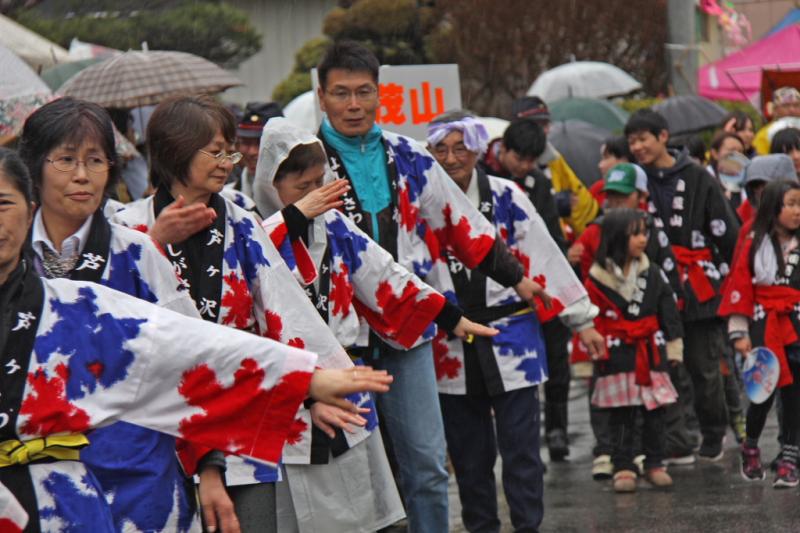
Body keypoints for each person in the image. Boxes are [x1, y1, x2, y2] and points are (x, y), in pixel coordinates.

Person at [0, 145, 393, 532]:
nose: (81, 174)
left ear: (29, 207)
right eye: (66, 160)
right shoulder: (133, 226)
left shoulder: (76, 300)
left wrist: (304, 381)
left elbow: (182, 346)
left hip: (144, 453)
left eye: (4, 204)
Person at [314, 41, 597, 532]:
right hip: (337, 338)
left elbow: (463, 227)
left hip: (414, 327)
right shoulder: (304, 162)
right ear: (322, 96)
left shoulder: (408, 156)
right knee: (357, 472)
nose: (354, 104)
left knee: (428, 463)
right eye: (341, 94)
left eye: (364, 92)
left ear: (381, 95)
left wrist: (522, 281)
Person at [111, 95, 382, 532]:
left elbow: (281, 307)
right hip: (162, 418)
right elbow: (111, 312)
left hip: (239, 409)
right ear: (177, 152)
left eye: (229, 152)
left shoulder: (240, 223)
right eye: (216, 152)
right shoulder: (126, 225)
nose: (227, 162)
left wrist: (315, 388)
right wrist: (155, 241)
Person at [253, 117, 498, 532]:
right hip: (288, 385)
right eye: (301, 188)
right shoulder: (248, 227)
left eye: (319, 183)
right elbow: (252, 260)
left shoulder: (334, 226)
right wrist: (292, 218)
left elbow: (386, 273)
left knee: (372, 499)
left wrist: (449, 316)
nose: (315, 196)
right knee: (300, 508)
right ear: (269, 185)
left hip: (346, 371)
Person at [16, 97, 220, 532]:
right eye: (66, 160)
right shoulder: (10, 257)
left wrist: (212, 466)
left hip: (138, 470)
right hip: (36, 479)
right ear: (33, 167)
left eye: (95, 160)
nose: (82, 175)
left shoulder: (137, 253)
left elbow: (195, 357)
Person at [425, 111, 600, 531]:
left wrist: (583, 320)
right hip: (450, 339)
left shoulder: (506, 195)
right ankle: (481, 526)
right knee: (469, 456)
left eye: (460, 148)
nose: (451, 158)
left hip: (512, 335)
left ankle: (528, 525)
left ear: (479, 150)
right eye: (441, 149)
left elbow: (544, 256)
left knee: (521, 450)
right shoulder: (419, 204)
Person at [625, 108, 740, 461]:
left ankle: (712, 432)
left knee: (703, 366)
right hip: (651, 284)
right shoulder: (635, 178)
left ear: (663, 136)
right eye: (632, 141)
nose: (637, 147)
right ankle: (671, 439)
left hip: (696, 282)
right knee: (661, 366)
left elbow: (727, 233)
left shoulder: (696, 176)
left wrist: (729, 279)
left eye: (643, 139)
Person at [480, 117, 576, 460]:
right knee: (517, 371)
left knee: (556, 358)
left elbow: (552, 235)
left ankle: (558, 428)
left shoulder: (536, 182)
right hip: (498, 286)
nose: (523, 167)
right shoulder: (480, 178)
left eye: (530, 162)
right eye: (518, 159)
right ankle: (522, 443)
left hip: (540, 281)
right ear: (502, 149)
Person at [586, 208, 684, 492]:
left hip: (649, 350)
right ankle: (624, 465)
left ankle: (654, 463)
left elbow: (668, 310)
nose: (643, 239)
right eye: (636, 234)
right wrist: (590, 354)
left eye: (645, 233)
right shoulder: (597, 277)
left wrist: (674, 347)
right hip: (616, 353)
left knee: (655, 414)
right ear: (617, 237)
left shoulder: (652, 272)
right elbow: (590, 317)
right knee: (621, 416)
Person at [719, 179, 800, 488]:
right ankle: (751, 445)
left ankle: (789, 459)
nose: (797, 211)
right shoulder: (754, 240)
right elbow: (739, 287)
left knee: (794, 396)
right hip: (763, 323)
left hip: (795, 323)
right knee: (761, 394)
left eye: (799, 204)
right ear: (774, 207)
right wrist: (738, 332)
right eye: (790, 204)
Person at [510, 96, 600, 236]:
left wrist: (595, 231)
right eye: (539, 124)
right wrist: (552, 203)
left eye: (547, 124)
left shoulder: (552, 158)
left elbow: (580, 201)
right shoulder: (503, 161)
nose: (546, 130)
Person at [222, 101, 284, 211]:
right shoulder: (228, 198)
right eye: (246, 142)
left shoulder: (302, 192)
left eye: (260, 143)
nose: (251, 152)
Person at [753, 87, 800, 155]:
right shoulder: (764, 134)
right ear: (775, 109)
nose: (792, 109)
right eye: (786, 105)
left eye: (796, 105)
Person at [591, 135, 634, 205]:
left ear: (624, 161)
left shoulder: (644, 189)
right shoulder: (597, 189)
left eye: (606, 158)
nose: (600, 165)